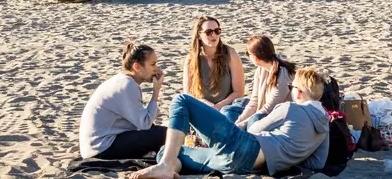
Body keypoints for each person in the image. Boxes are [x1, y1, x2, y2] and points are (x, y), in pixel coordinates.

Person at [129, 67, 330, 178]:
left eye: (291, 87)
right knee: (170, 150)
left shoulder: (291, 108)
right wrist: (287, 154)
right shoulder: (325, 124)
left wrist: (259, 117)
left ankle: (165, 166)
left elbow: (254, 127)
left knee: (182, 101)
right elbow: (317, 162)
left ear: (299, 92)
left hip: (245, 148)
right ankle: (168, 166)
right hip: (248, 166)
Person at [79, 43, 167, 159]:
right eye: (153, 64)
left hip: (95, 146)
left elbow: (141, 122)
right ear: (137, 67)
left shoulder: (122, 80)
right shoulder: (127, 85)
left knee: (158, 132)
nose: (157, 69)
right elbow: (145, 124)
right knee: (165, 135)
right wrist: (156, 91)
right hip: (101, 148)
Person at [222, 36, 296, 128]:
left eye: (248, 54)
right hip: (261, 111)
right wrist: (238, 122)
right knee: (227, 110)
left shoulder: (283, 76)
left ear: (256, 58)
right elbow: (254, 101)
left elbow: (268, 109)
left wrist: (241, 126)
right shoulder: (261, 69)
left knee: (252, 122)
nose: (247, 56)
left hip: (277, 118)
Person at [183, 16, 245, 112]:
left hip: (227, 108)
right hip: (202, 108)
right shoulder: (191, 59)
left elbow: (239, 92)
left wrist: (218, 107)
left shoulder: (231, 54)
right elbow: (188, 93)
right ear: (199, 35)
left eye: (217, 31)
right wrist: (207, 105)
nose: (214, 35)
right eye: (209, 32)